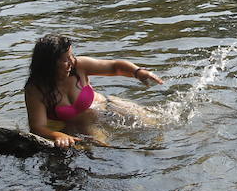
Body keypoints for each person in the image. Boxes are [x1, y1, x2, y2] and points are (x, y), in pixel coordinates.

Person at [24, 34, 164, 148]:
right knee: (105, 151)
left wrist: (137, 72)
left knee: (157, 127)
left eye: (71, 56)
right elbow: (37, 127)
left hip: (110, 106)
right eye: (66, 59)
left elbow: (115, 67)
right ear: (50, 64)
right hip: (83, 125)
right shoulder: (36, 89)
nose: (72, 61)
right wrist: (58, 135)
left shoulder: (79, 66)